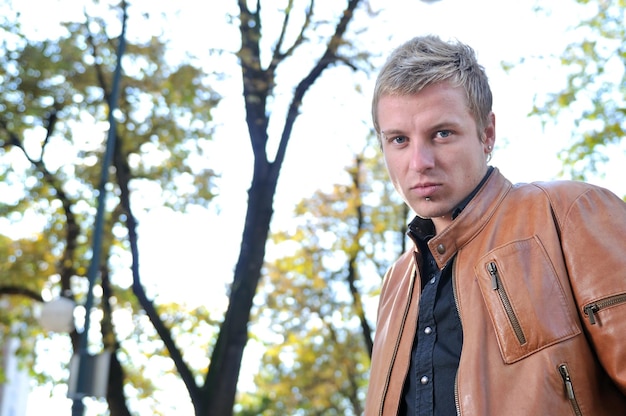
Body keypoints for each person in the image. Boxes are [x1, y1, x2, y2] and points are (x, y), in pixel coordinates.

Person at [364, 34, 626, 415]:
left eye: (442, 134)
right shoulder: (396, 283)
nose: (419, 162)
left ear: (487, 133)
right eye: (399, 140)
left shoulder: (569, 212)